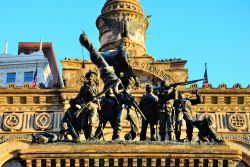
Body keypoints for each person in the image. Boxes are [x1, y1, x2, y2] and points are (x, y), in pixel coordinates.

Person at [75, 70, 99, 140]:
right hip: (85, 107)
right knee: (84, 124)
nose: (90, 78)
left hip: (93, 106)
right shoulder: (83, 88)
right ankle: (87, 138)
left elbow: (99, 98)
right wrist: (81, 103)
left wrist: (96, 99)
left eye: (92, 76)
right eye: (89, 76)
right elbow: (77, 99)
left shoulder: (96, 88)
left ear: (94, 78)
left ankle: (91, 137)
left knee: (91, 121)